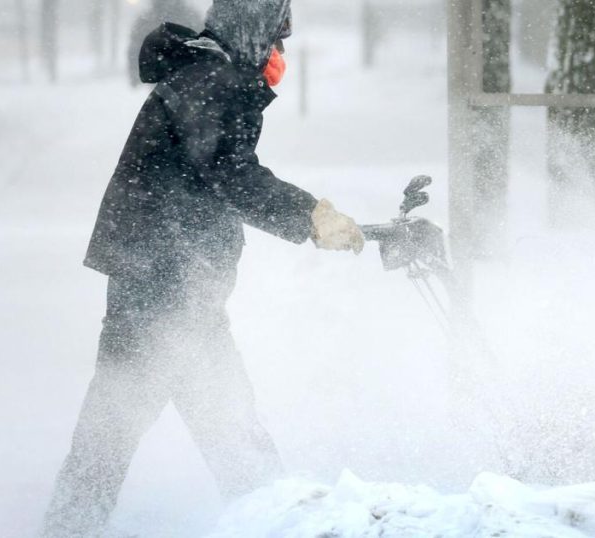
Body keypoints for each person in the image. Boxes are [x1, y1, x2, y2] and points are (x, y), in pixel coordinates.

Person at [41, 1, 364, 536]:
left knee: (216, 423)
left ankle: (267, 517)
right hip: (160, 279)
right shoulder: (211, 78)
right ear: (254, 28)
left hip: (171, 277)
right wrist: (310, 215)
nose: (283, 46)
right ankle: (69, 528)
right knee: (133, 427)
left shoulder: (208, 72)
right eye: (278, 32)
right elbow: (228, 171)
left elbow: (211, 174)